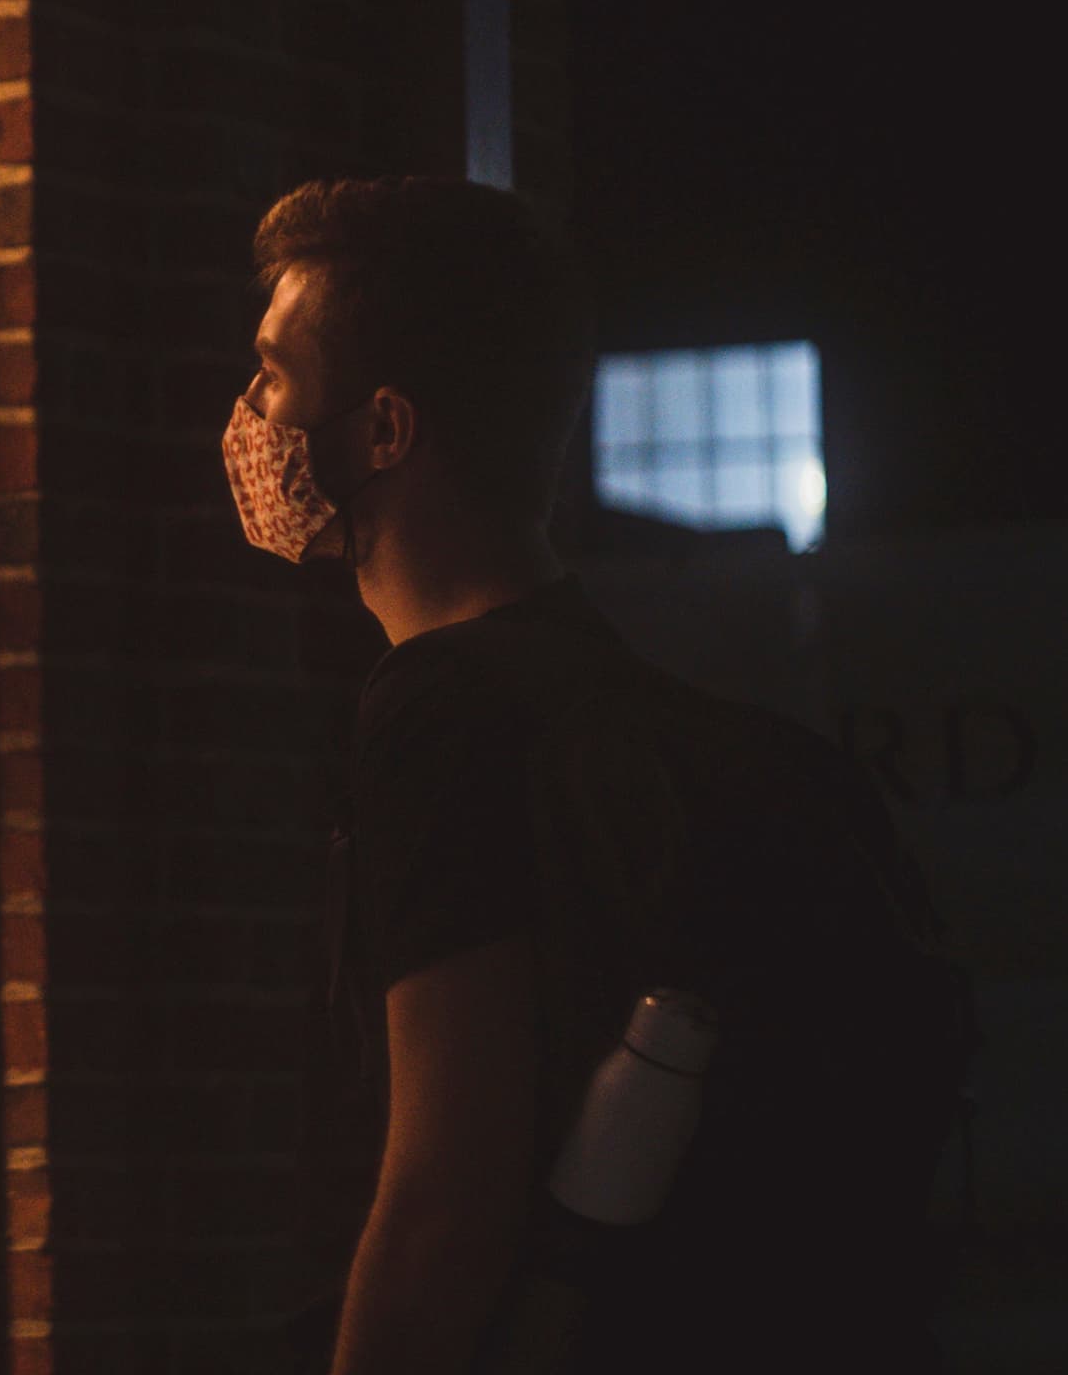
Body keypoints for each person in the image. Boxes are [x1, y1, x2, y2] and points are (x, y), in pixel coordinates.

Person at [230, 177, 957, 1373]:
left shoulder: (440, 714)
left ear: (382, 432)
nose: (251, 414)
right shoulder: (612, 701)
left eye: (274, 372)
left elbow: (444, 1194)